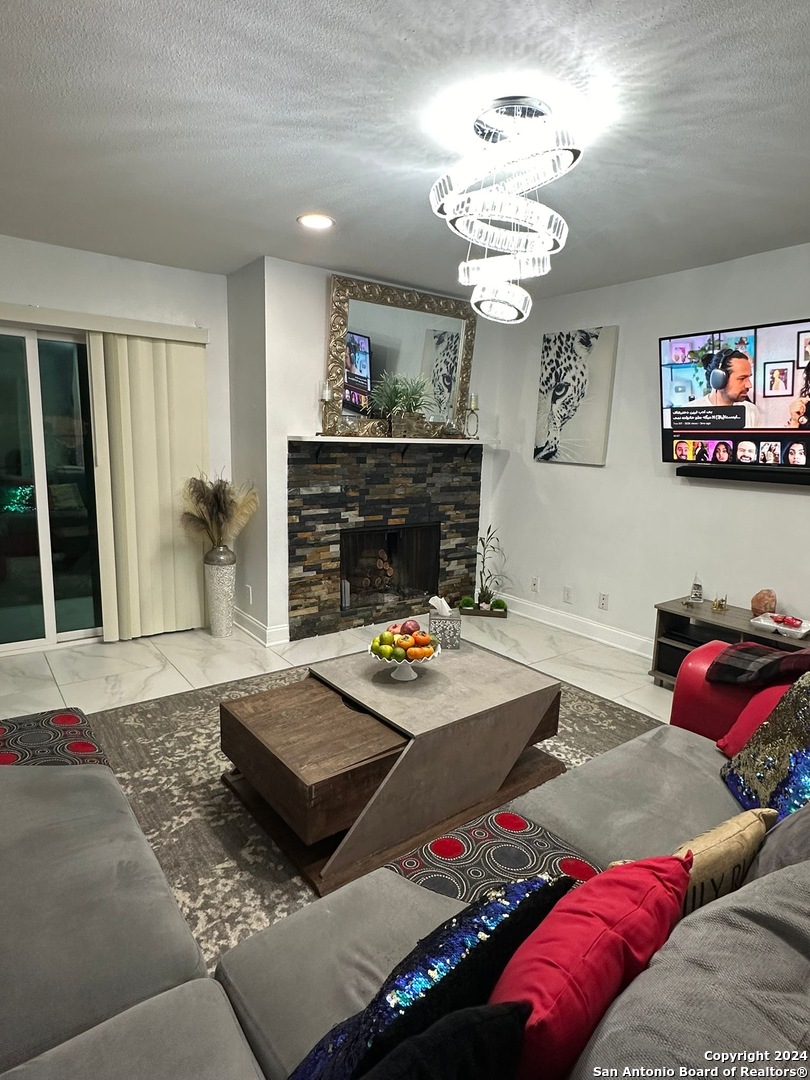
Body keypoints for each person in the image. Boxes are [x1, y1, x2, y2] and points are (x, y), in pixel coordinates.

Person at [683, 349, 759, 426]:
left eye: (748, 378)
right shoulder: (688, 414)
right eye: (742, 378)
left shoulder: (751, 411)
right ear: (719, 378)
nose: (749, 385)